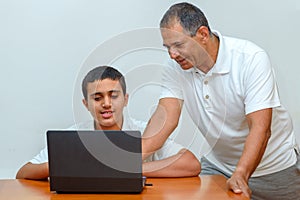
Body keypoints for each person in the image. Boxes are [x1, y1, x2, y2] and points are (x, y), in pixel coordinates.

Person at [141, 2, 300, 199]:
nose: (172, 54)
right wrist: (130, 161)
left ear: (203, 34)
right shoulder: (175, 67)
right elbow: (165, 116)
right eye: (168, 47)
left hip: (274, 169)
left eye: (179, 45)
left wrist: (241, 174)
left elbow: (261, 128)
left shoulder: (251, 58)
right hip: (219, 167)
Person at [16, 66, 201, 180]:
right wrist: (64, 164)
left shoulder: (145, 132)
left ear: (126, 99)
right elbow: (23, 172)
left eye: (113, 96)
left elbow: (191, 164)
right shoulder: (74, 136)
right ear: (86, 104)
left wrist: (128, 168)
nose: (106, 103)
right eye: (97, 98)